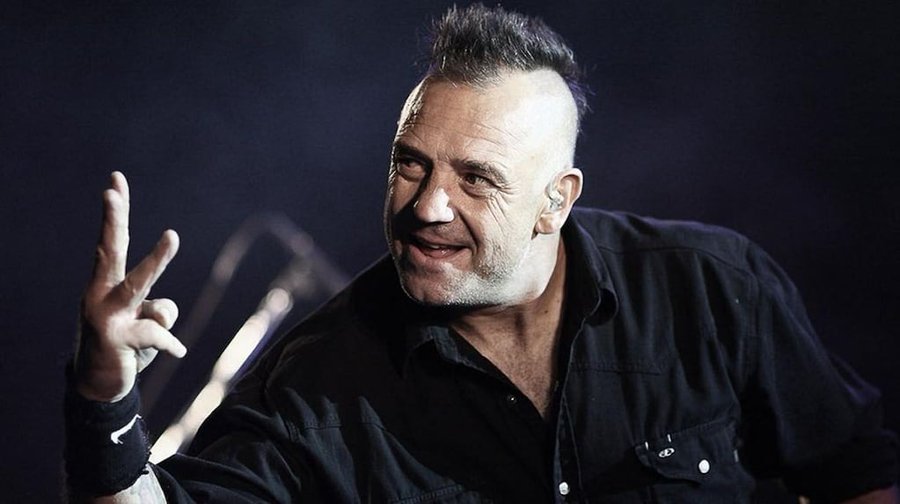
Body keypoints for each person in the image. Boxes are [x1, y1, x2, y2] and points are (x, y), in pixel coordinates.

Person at [65, 4, 898, 503]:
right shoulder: (315, 380)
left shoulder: (711, 287)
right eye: (411, 164)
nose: (428, 205)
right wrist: (105, 396)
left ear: (556, 201)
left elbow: (855, 472)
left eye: (476, 178)